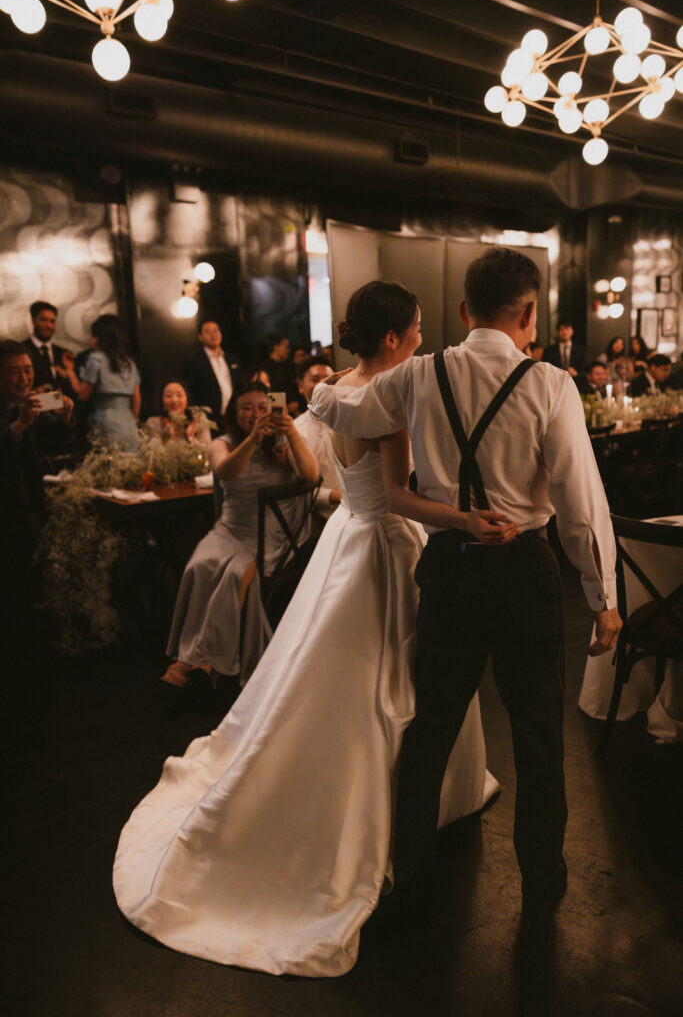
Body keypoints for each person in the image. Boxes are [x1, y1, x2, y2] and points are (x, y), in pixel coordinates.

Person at [114, 282, 512, 976]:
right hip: (386, 541)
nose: (422, 337)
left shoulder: (330, 389)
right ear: (390, 338)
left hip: (345, 541)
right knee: (390, 680)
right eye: (416, 329)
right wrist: (465, 518)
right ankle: (390, 807)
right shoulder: (388, 399)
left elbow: (342, 477)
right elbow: (397, 496)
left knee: (329, 673)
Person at [310, 248, 621, 927]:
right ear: (529, 314)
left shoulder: (418, 375)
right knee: (538, 736)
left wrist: (316, 390)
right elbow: (580, 501)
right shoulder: (550, 385)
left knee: (430, 729)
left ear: (461, 310)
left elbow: (345, 413)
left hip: (448, 567)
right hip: (523, 572)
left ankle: (410, 865)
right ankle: (541, 879)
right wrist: (602, 599)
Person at [161, 379, 319, 689]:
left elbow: (311, 475)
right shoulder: (223, 443)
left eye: (263, 407)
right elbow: (226, 472)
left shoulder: (282, 446)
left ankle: (204, 659)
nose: (256, 413)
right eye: (247, 408)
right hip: (230, 528)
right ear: (235, 413)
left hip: (269, 534)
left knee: (235, 574)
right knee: (199, 565)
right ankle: (199, 655)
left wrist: (289, 431)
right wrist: (252, 440)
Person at [0, 341, 74, 623]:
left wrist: (65, 417)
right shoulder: (17, 410)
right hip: (5, 506)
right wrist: (19, 425)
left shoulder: (29, 403)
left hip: (30, 502)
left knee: (31, 579)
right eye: (15, 371)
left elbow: (58, 439)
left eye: (28, 370)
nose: (24, 377)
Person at [62, 315, 140, 451]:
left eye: (91, 335)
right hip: (129, 421)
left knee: (109, 462)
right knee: (130, 463)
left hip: (106, 420)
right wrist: (132, 420)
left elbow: (82, 394)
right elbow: (137, 398)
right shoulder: (129, 363)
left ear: (97, 338)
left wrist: (70, 371)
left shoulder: (96, 358)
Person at [293, 356, 342, 519]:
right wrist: (338, 496)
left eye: (329, 379)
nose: (323, 385)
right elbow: (297, 488)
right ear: (300, 386)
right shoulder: (295, 430)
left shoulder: (349, 420)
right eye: (315, 379)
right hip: (317, 517)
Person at [183, 319, 239, 430]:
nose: (213, 335)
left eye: (216, 331)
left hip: (233, 416)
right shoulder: (194, 362)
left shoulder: (232, 359)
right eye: (208, 332)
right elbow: (190, 390)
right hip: (209, 419)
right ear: (200, 337)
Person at [21, 301, 71, 397]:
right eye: (44, 320)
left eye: (52, 321)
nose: (48, 325)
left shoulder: (63, 353)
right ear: (33, 320)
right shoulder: (22, 351)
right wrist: (52, 370)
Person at [144, 381, 212, 445]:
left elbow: (207, 450)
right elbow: (155, 453)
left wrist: (191, 438)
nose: (174, 400)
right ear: (161, 400)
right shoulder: (153, 423)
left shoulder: (199, 420)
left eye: (179, 395)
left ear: (187, 399)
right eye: (168, 396)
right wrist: (168, 437)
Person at [263, 333, 299, 415]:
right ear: (276, 347)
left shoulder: (289, 367)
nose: (288, 350)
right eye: (286, 347)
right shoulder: (265, 370)